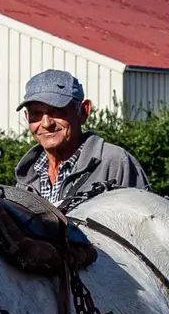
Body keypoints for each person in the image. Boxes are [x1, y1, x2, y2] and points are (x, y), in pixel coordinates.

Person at [11, 70, 148, 211]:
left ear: (83, 111)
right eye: (36, 114)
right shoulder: (26, 176)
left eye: (57, 110)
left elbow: (145, 225)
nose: (46, 123)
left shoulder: (116, 163)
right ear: (27, 117)